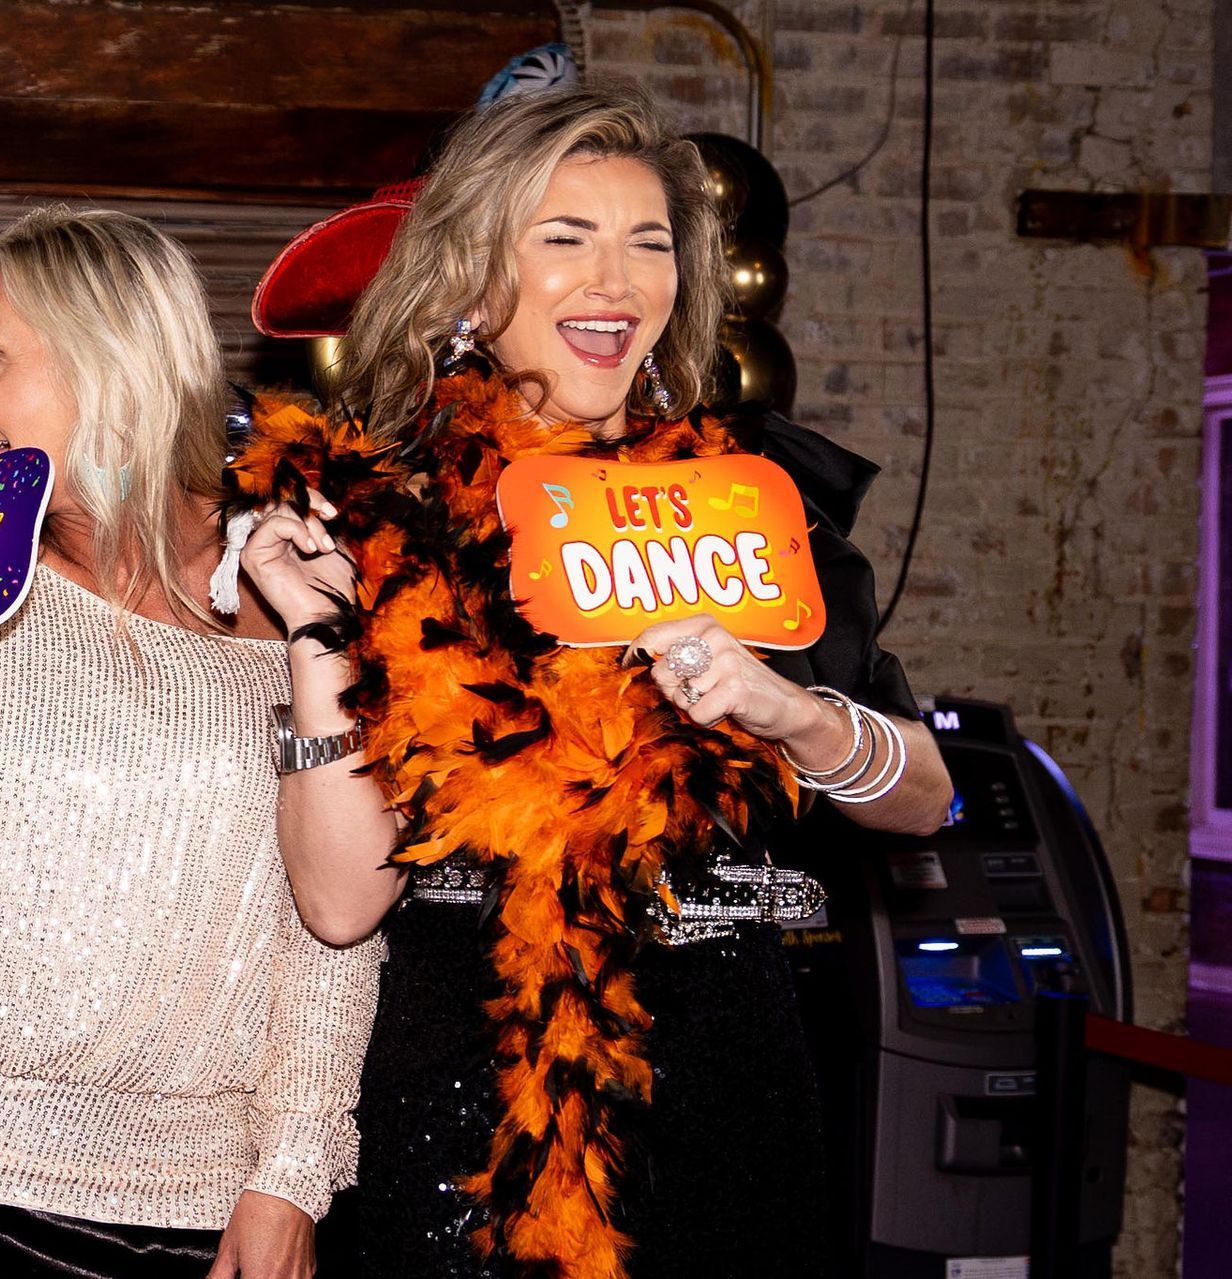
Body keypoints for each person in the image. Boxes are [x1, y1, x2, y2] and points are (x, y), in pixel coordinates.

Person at [224, 80, 953, 1279]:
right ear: (471, 272)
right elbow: (342, 905)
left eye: (649, 243)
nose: (615, 281)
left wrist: (790, 713)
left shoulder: (747, 506)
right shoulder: (374, 516)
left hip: (722, 1096)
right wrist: (315, 638)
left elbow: (924, 797)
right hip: (463, 1119)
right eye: (565, 239)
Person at [0, 206, 382, 1279]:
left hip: (175, 1215)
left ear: (109, 360)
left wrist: (291, 1166)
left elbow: (330, 927)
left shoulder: (299, 586)